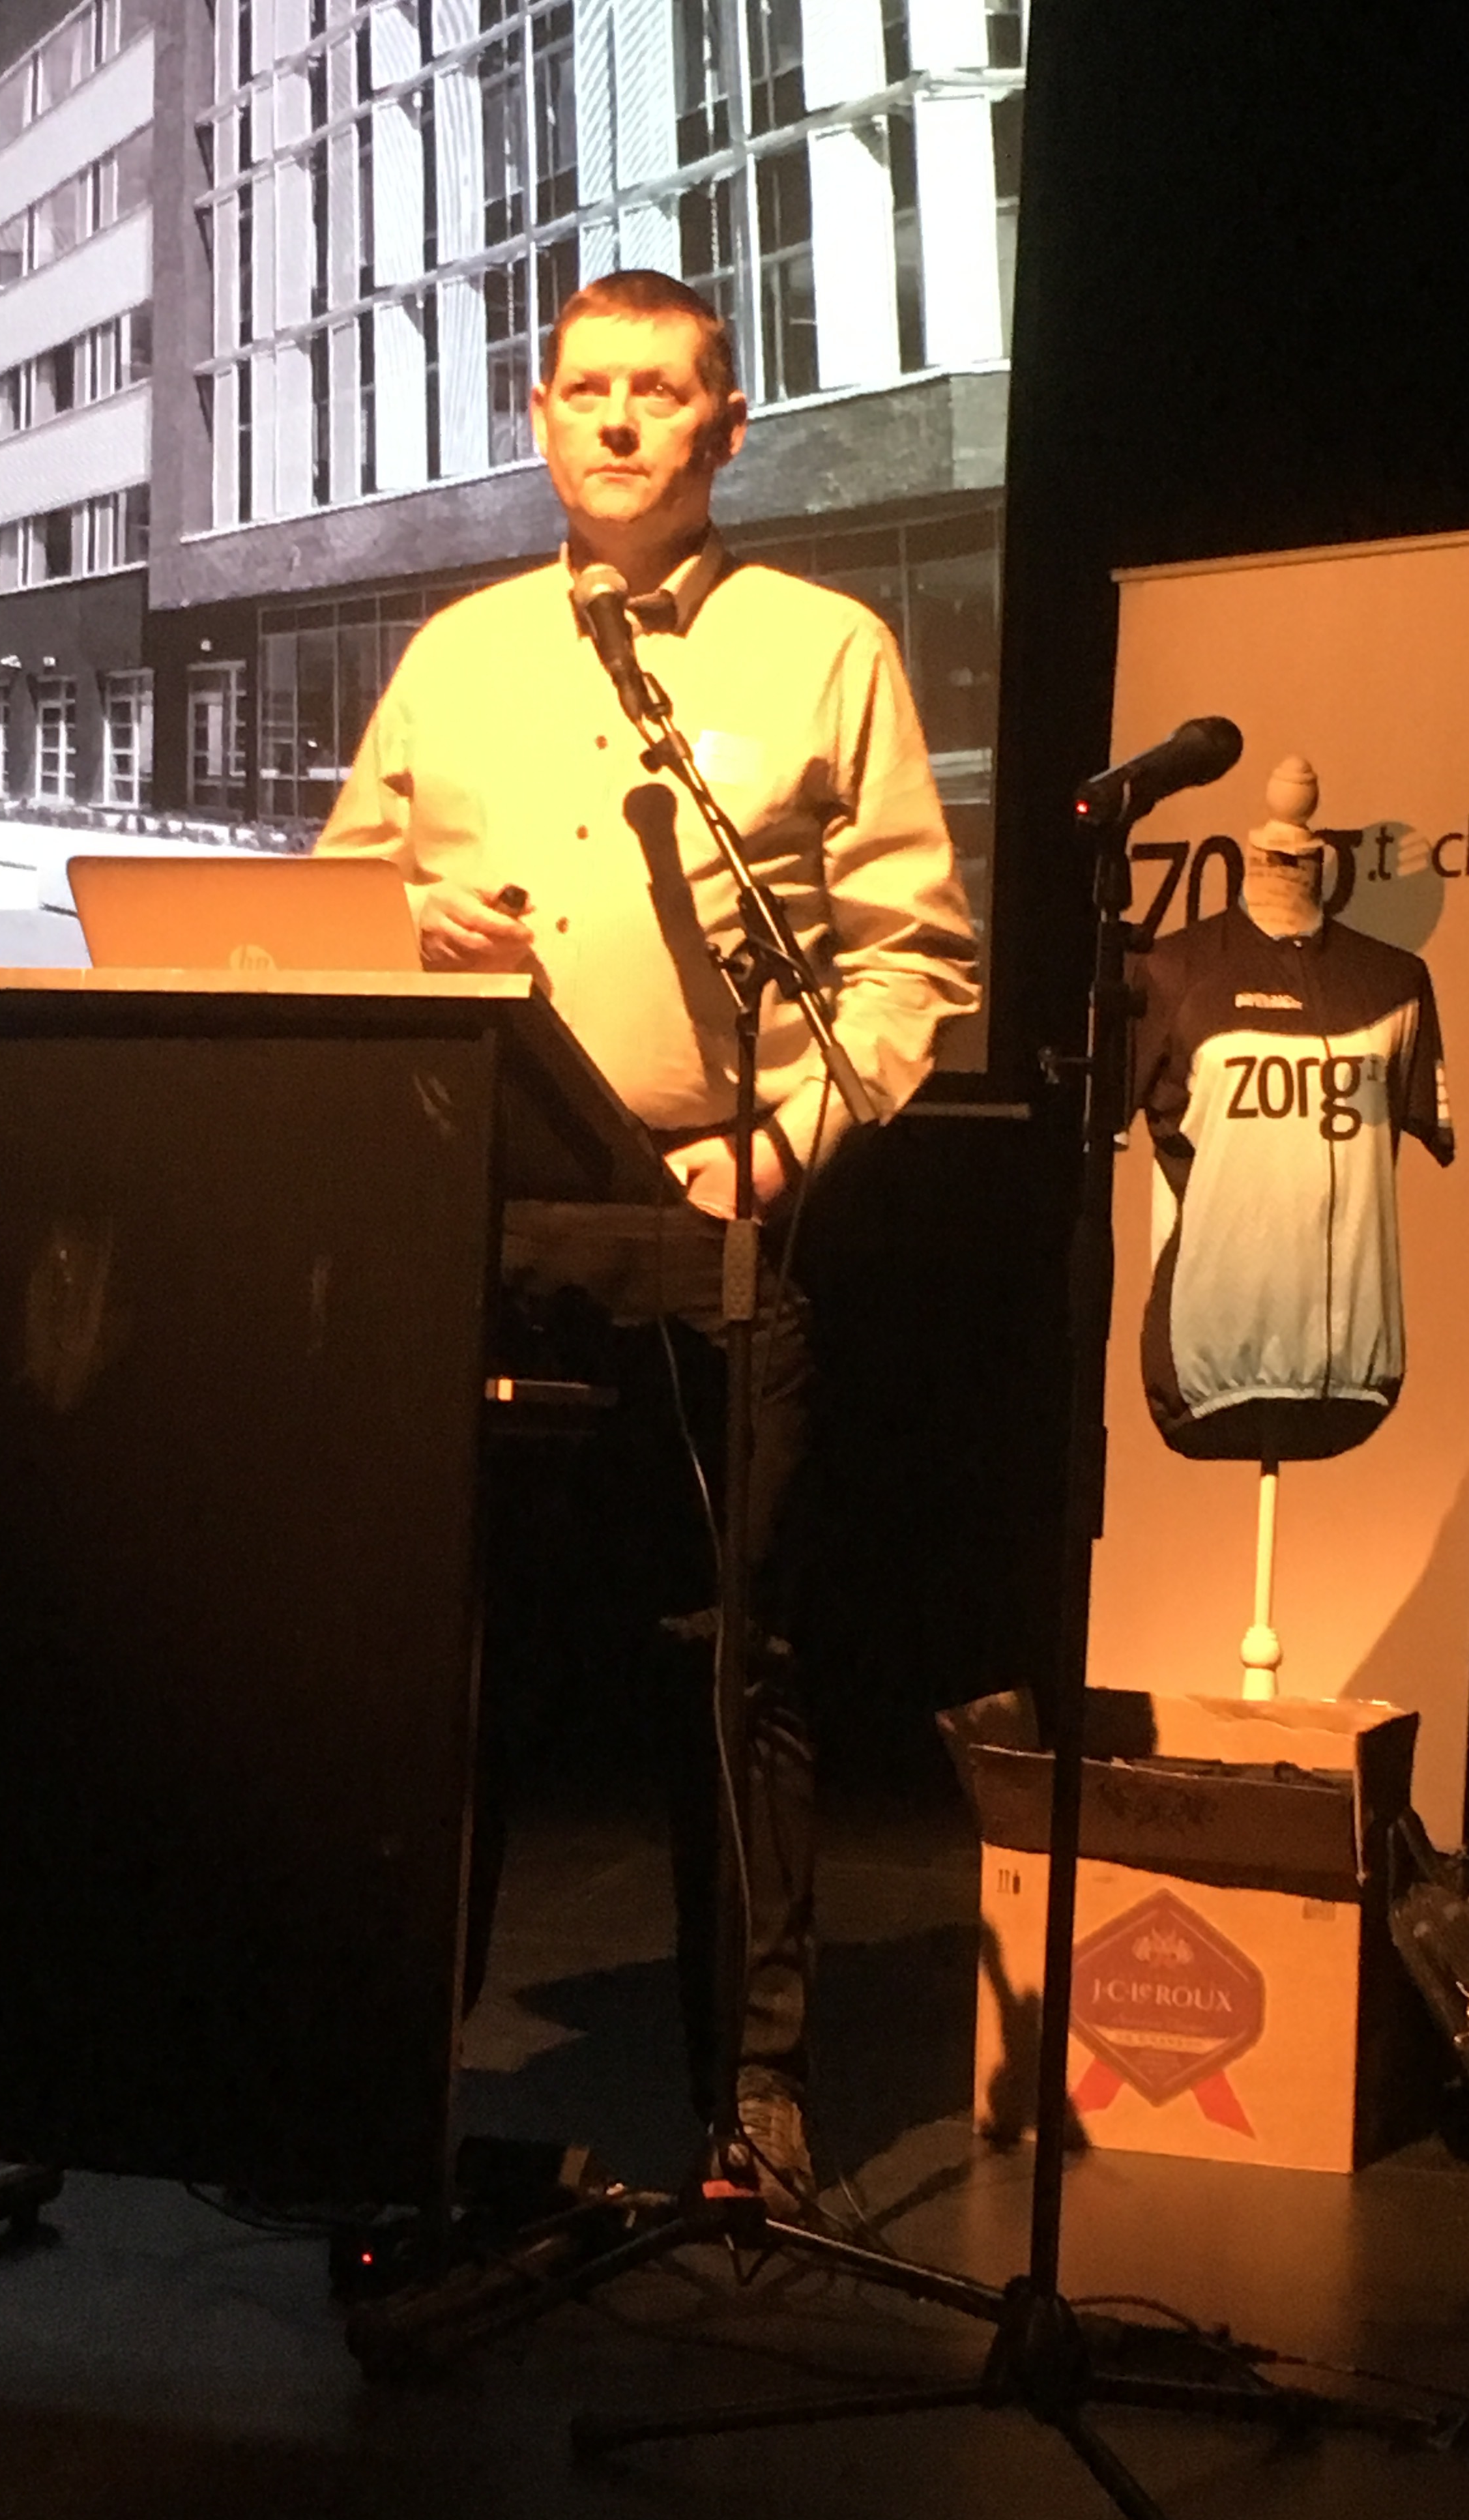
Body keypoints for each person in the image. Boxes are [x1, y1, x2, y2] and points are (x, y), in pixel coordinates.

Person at [315, 269, 978, 2212]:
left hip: (714, 1215)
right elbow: (339, 904)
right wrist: (408, 928)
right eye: (585, 389)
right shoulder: (456, 653)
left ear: (724, 426)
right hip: (484, 1217)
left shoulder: (828, 646)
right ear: (540, 420)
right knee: (453, 1660)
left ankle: (754, 2098)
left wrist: (771, 1153)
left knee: (729, 1666)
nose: (616, 419)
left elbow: (912, 960)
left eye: (659, 391)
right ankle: (388, 2077)